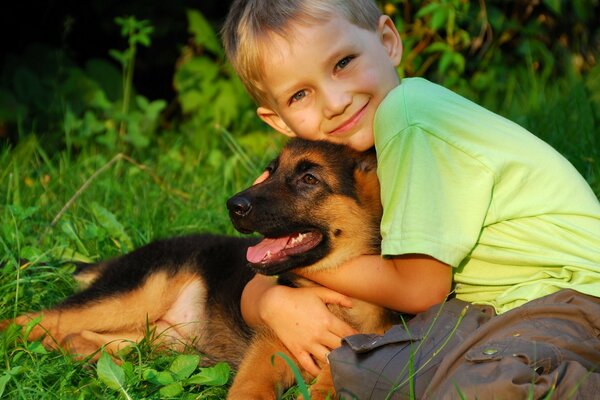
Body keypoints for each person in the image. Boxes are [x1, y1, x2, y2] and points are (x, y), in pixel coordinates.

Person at [221, 0, 600, 397]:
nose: (335, 102)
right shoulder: (369, 152)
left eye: (343, 62)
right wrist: (271, 298)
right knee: (366, 367)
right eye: (300, 94)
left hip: (569, 296)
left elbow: (419, 290)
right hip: (494, 307)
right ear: (278, 121)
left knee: (478, 387)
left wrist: (292, 258)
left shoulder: (407, 118)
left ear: (387, 42)